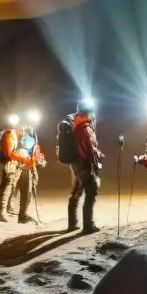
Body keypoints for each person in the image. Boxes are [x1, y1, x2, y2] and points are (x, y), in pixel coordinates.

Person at [64, 99, 103, 234]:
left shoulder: (75, 124)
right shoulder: (85, 126)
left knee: (76, 192)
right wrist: (96, 160)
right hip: (84, 163)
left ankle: (72, 224)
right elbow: (90, 147)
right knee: (91, 191)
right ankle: (88, 226)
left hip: (75, 163)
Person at [0, 122, 46, 223]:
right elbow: (8, 153)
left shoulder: (30, 134)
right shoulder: (9, 135)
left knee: (27, 188)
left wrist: (36, 158)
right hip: (13, 164)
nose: (25, 130)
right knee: (7, 187)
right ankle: (1, 212)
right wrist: (26, 160)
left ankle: (23, 215)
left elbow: (35, 148)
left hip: (25, 164)